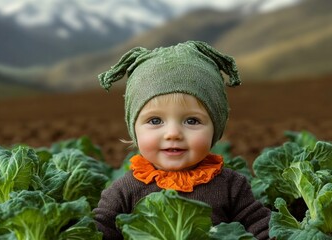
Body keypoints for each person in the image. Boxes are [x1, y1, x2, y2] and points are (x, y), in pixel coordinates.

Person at [93, 41, 271, 239]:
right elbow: (99, 231)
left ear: (216, 127)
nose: (173, 133)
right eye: (155, 120)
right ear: (134, 129)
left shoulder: (231, 187)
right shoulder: (124, 190)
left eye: (192, 121)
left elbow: (261, 226)